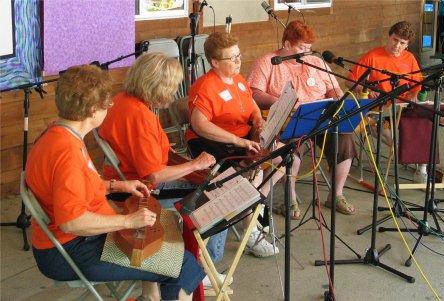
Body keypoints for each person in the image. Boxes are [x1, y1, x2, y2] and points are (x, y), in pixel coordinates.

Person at [25, 65, 205, 301]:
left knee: (158, 239)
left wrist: (116, 186)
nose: (109, 108)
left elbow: (75, 186)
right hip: (72, 249)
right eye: (106, 104)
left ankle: (151, 297)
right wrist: (127, 220)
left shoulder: (57, 134)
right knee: (181, 266)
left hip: (76, 240)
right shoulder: (67, 153)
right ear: (92, 110)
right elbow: (72, 222)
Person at [97, 52, 219, 289]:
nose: (174, 94)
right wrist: (196, 164)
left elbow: (135, 146)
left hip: (121, 175)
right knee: (213, 193)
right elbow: (154, 176)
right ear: (156, 86)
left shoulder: (121, 100)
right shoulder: (141, 116)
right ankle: (201, 269)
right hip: (139, 190)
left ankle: (189, 262)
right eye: (171, 88)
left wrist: (160, 147)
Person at [185, 32, 283, 259]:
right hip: (214, 142)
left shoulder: (238, 79)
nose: (239, 61)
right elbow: (199, 125)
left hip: (242, 138)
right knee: (246, 174)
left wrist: (258, 122)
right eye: (232, 58)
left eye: (239, 55)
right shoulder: (206, 86)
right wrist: (239, 141)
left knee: (283, 159)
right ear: (215, 62)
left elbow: (252, 106)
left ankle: (252, 205)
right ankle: (251, 233)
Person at [247, 20, 357, 217]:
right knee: (290, 143)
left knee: (345, 136)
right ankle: (290, 196)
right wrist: (282, 103)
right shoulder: (268, 62)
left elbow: (333, 87)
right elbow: (254, 93)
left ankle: (336, 194)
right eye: (301, 47)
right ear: (287, 44)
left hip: (321, 115)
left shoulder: (315, 62)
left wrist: (338, 96)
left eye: (309, 48)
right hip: (288, 118)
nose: (306, 52)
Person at [347, 21, 426, 183]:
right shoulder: (372, 56)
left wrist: (414, 95)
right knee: (381, 129)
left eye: (402, 43)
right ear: (389, 37)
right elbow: (350, 82)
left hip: (402, 106)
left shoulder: (409, 58)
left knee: (424, 124)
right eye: (395, 40)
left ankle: (423, 168)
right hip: (378, 110)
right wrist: (367, 89)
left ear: (407, 45)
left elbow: (417, 85)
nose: (397, 45)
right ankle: (404, 151)